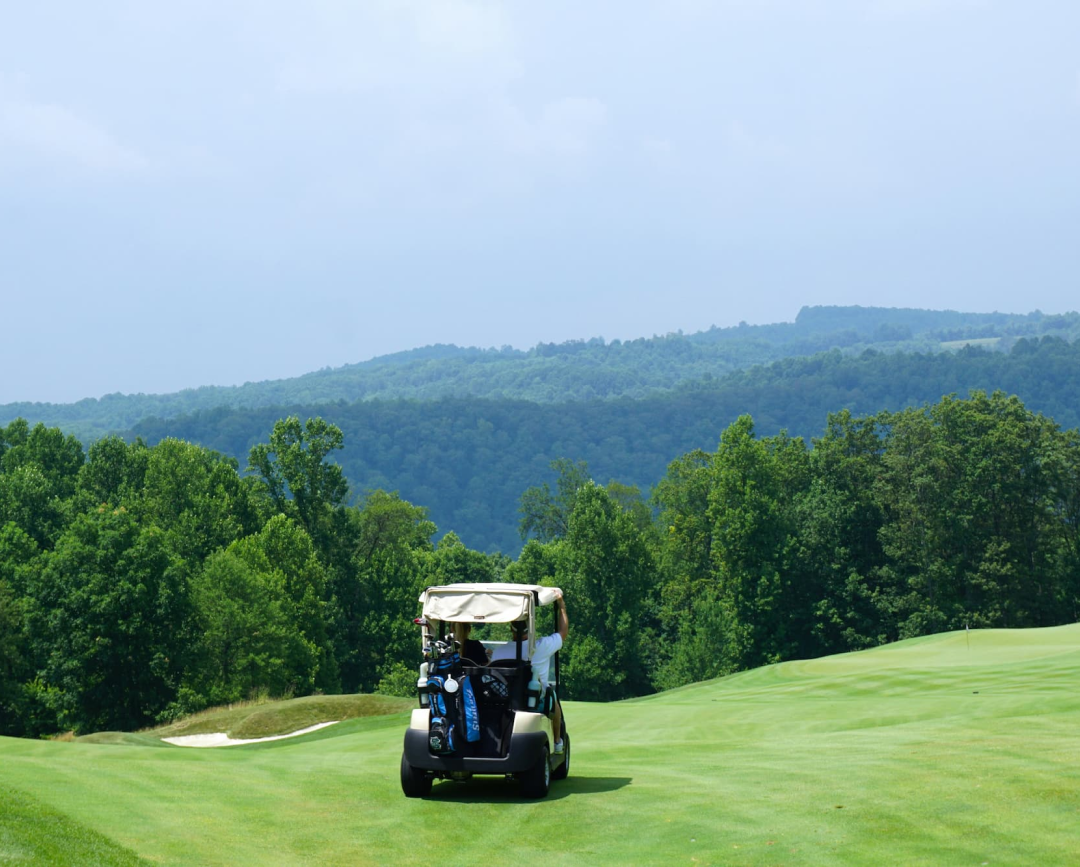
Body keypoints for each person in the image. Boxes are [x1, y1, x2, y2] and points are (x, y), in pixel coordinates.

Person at [489, 589, 568, 753]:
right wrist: (561, 605)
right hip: (533, 698)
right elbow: (563, 632)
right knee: (553, 697)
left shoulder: (499, 652)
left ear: (511, 629)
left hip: (504, 698)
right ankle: (558, 741)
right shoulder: (542, 646)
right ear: (530, 628)